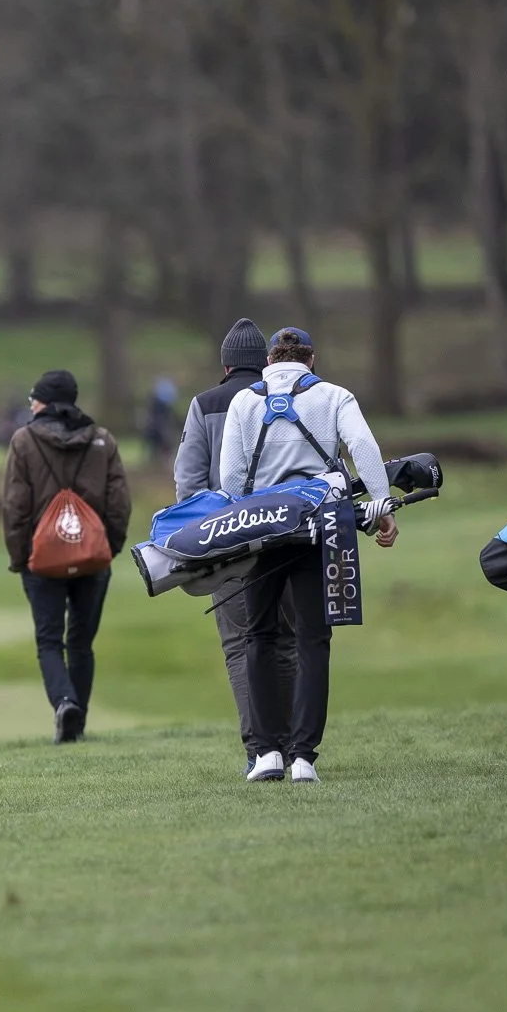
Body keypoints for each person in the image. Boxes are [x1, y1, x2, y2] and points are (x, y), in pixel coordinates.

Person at [216, 327, 397, 783]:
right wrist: (381, 505)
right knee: (312, 640)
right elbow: (364, 449)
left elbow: (231, 478)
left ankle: (266, 753)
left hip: (260, 533)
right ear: (311, 360)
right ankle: (303, 758)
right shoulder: (334, 396)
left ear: (270, 362)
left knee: (258, 636)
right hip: (321, 529)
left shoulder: (244, 401)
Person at [174, 318, 298, 775]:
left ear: (225, 364)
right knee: (286, 642)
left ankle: (258, 750)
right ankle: (291, 746)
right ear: (264, 361)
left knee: (242, 646)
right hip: (287, 537)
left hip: (227, 547)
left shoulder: (204, 404)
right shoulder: (290, 398)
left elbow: (188, 483)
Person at [2, 370, 132, 744]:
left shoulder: (23, 441)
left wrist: (19, 556)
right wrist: (111, 546)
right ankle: (78, 719)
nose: (30, 404)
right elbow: (119, 501)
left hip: (41, 560)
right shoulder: (103, 440)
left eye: (33, 398)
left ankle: (64, 704)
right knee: (81, 642)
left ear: (43, 402)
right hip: (94, 556)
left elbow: (15, 507)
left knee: (48, 640)